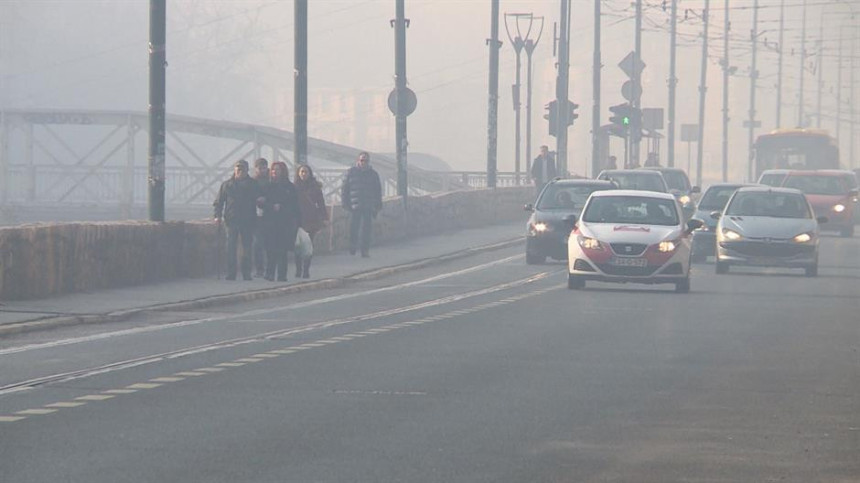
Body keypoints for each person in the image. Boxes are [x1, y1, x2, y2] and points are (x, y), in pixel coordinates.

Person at [213, 160, 264, 281]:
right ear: (234, 170)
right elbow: (219, 202)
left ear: (247, 170)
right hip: (232, 220)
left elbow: (260, 200)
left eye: (242, 169)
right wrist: (217, 216)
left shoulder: (253, 184)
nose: (240, 171)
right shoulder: (227, 185)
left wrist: (261, 202)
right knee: (231, 247)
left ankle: (246, 273)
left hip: (248, 220)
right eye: (238, 169)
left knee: (247, 247)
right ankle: (231, 273)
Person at [262, 162, 300, 281]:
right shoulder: (267, 186)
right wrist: (271, 206)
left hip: (284, 222)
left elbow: (294, 206)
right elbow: (262, 202)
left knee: (282, 250)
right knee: (270, 249)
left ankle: (282, 275)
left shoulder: (289, 187)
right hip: (269, 221)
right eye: (273, 170)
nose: (274, 172)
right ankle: (269, 273)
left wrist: (282, 208)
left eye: (277, 170)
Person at [341, 151, 382, 257]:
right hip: (354, 205)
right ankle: (353, 246)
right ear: (358, 160)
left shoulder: (373, 174)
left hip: (368, 206)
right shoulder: (351, 172)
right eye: (362, 160)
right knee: (354, 227)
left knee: (366, 229)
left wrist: (378, 205)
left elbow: (378, 191)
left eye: (366, 160)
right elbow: (345, 189)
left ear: (369, 161)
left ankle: (365, 250)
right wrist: (345, 203)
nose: (364, 162)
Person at [294, 163, 328, 278]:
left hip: (311, 220)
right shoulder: (294, 187)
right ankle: (298, 269)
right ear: (298, 173)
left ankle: (306, 270)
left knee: (308, 246)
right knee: (297, 246)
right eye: (302, 172)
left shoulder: (315, 187)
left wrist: (324, 217)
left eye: (306, 172)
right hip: (298, 220)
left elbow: (321, 203)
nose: (304, 174)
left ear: (309, 174)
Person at [251, 157, 270, 278]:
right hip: (255, 216)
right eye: (260, 168)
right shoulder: (251, 182)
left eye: (264, 168)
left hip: (269, 215)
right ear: (255, 169)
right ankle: (259, 269)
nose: (262, 170)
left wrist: (266, 200)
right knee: (257, 243)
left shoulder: (271, 181)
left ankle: (268, 268)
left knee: (269, 243)